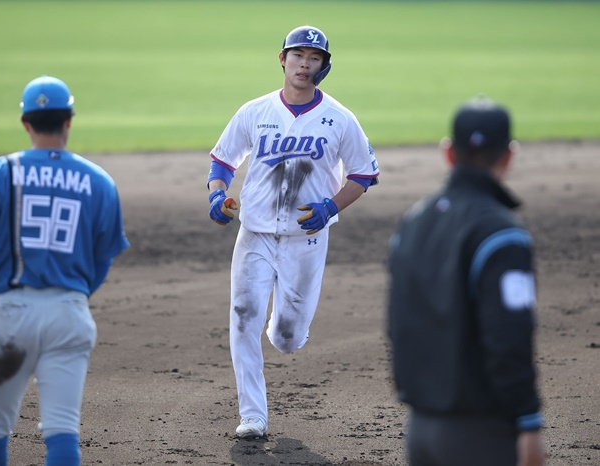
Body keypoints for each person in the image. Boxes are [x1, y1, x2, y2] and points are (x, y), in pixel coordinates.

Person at [206, 25, 380, 439]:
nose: (305, 64)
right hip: (255, 233)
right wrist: (216, 196)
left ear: (324, 66)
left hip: (307, 237)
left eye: (314, 57)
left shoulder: (339, 118)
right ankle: (253, 415)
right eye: (298, 55)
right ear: (282, 59)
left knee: (286, 337)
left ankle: (284, 327)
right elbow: (222, 163)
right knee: (243, 315)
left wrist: (330, 207)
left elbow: (363, 174)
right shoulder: (255, 112)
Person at [0, 75, 129, 466]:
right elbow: (102, 260)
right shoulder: (99, 181)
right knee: (63, 430)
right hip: (70, 315)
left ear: (26, 123)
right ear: (69, 120)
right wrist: (75, 295)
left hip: (12, 318)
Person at [386, 96, 546, 466]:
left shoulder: (414, 222)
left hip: (420, 430)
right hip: (482, 436)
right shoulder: (503, 233)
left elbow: (399, 323)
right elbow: (510, 337)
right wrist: (529, 421)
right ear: (509, 155)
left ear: (448, 153)